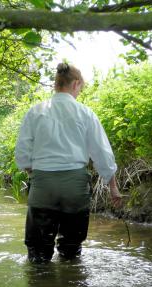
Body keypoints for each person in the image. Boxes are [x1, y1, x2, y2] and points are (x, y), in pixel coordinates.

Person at [15, 63, 122, 263]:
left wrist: (32, 173)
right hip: (75, 186)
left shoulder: (36, 111)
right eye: (81, 87)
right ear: (75, 84)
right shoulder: (85, 113)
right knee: (71, 251)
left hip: (43, 184)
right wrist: (113, 187)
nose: (80, 92)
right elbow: (102, 153)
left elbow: (22, 152)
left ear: (56, 84)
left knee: (38, 253)